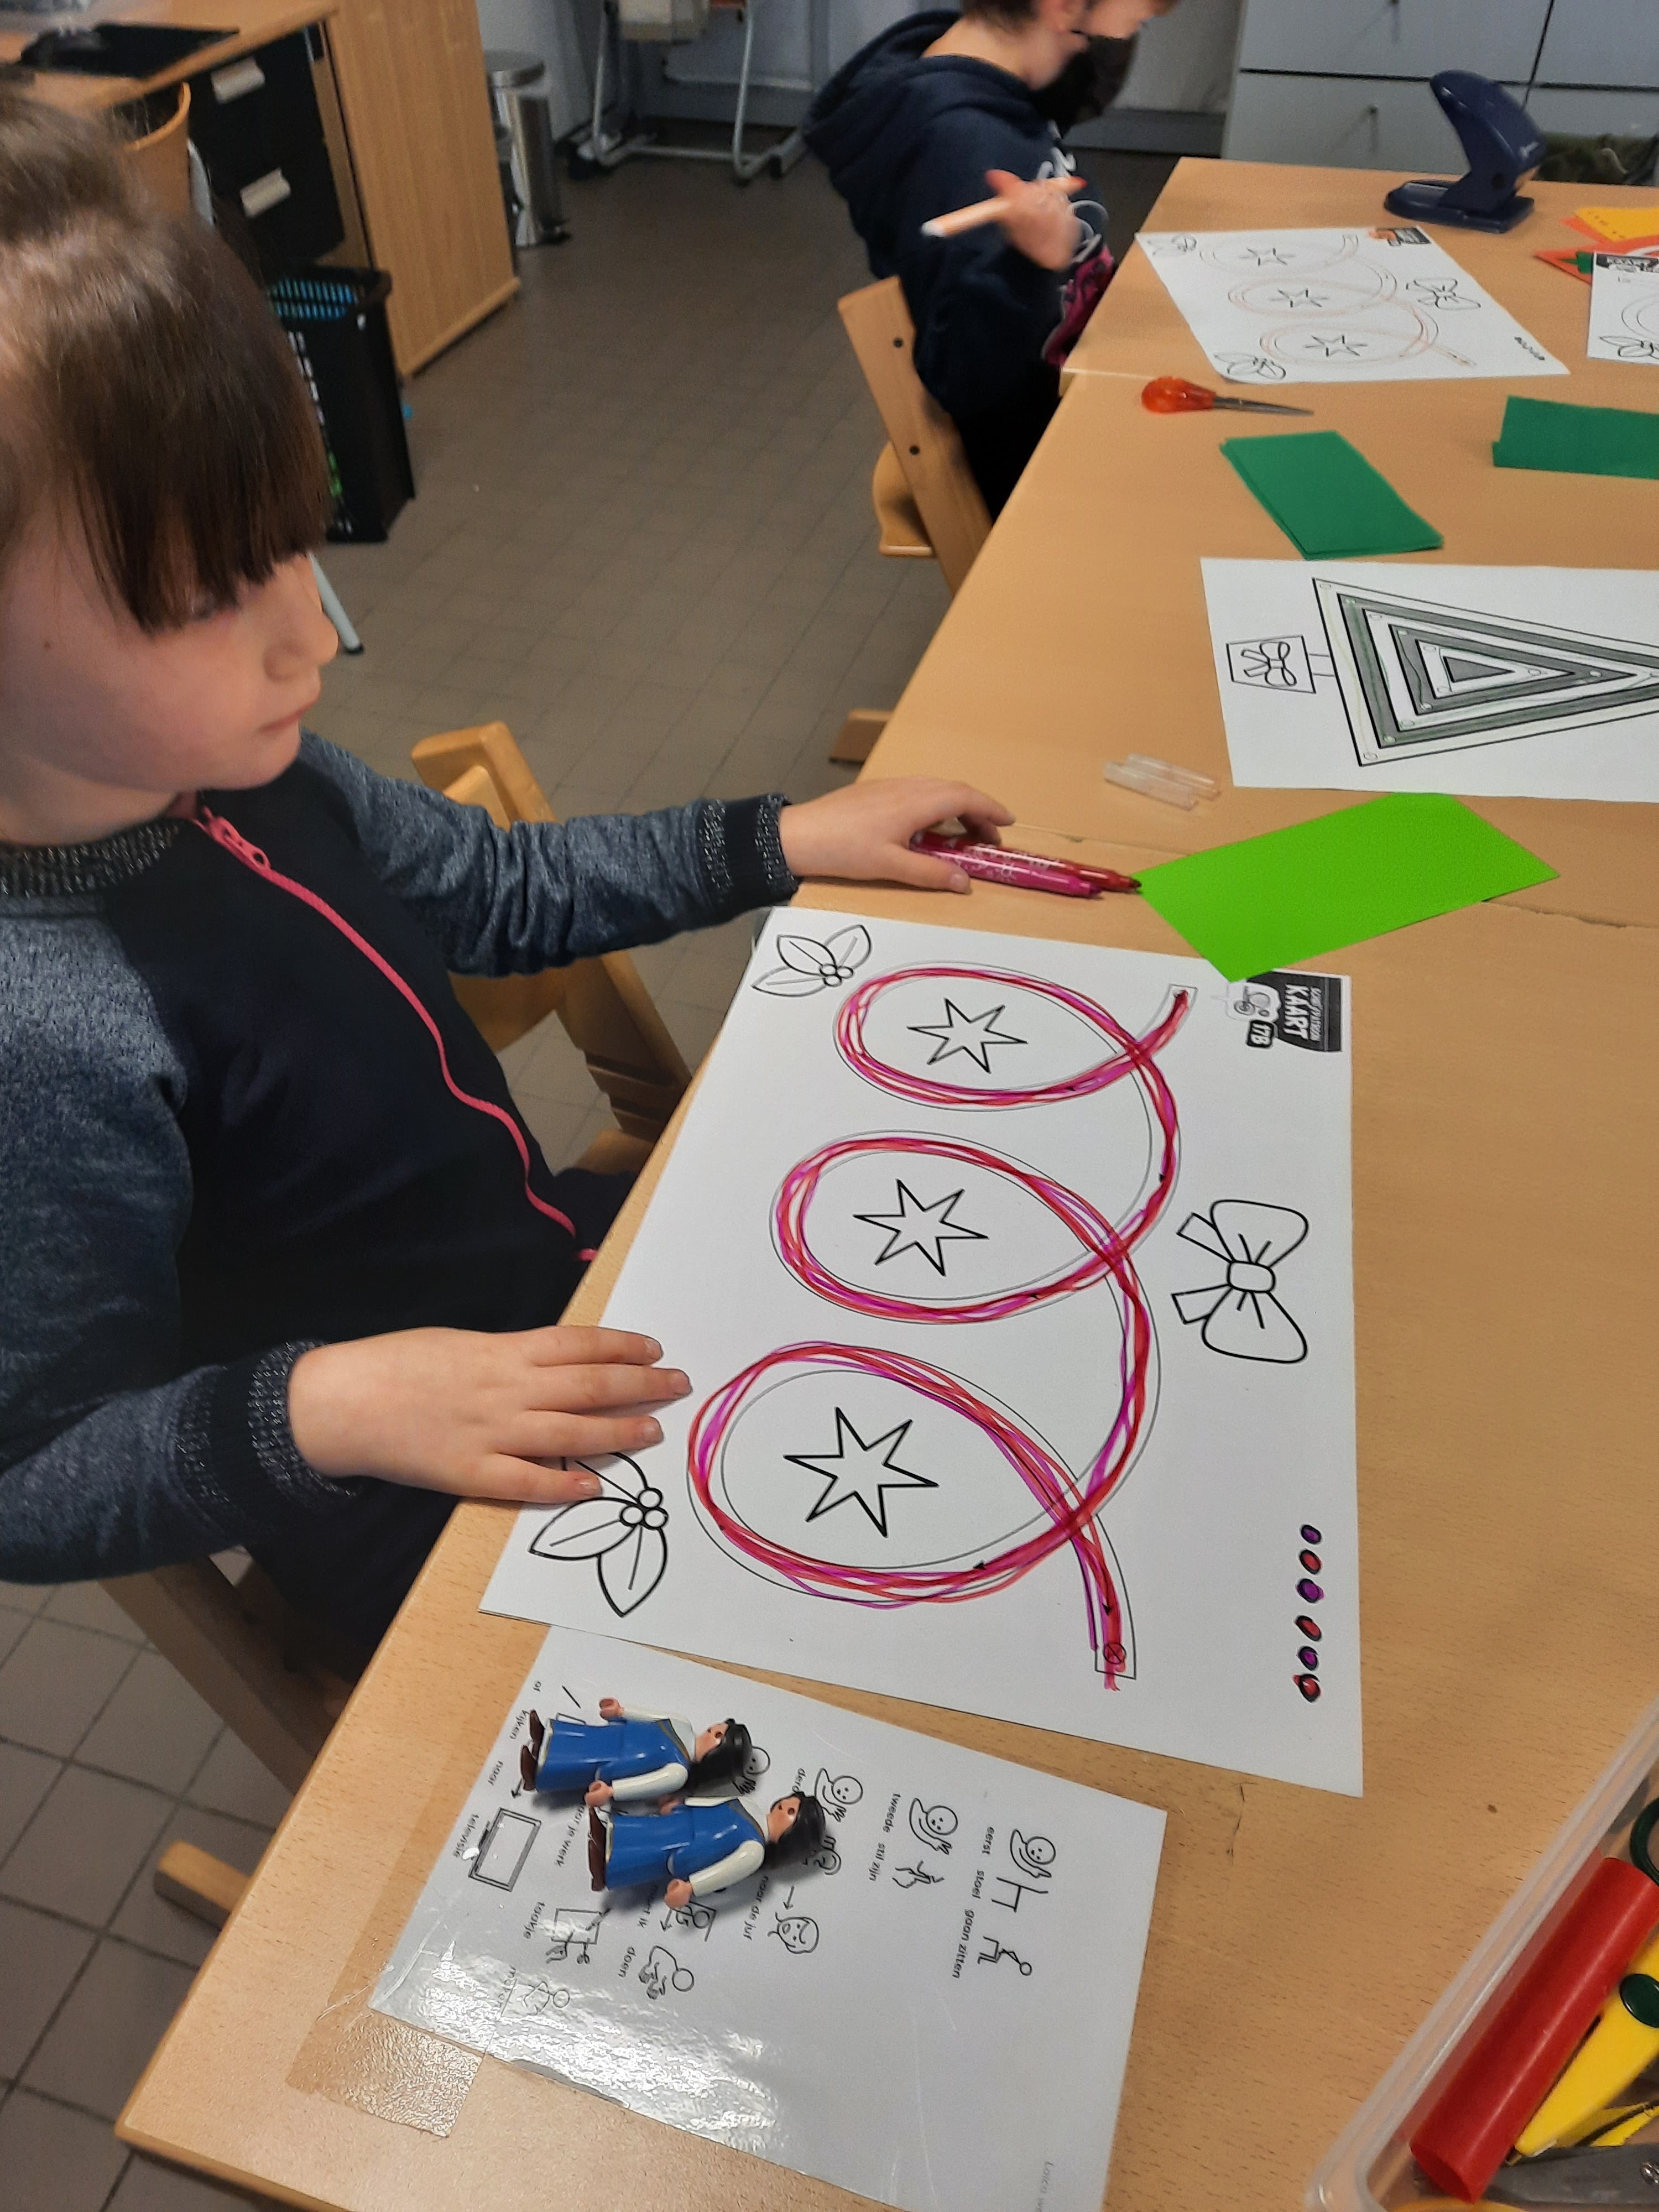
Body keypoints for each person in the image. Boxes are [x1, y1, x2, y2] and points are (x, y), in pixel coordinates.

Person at [0, 91, 1013, 1650]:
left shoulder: (246, 766)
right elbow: (28, 1471)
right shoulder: (43, 1034)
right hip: (420, 1508)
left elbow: (498, 889)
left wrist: (781, 839)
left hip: (556, 1295)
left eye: (295, 545)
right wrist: (327, 1404)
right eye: (209, 596)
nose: (309, 634)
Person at [806, 0, 1173, 517]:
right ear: (1064, 8)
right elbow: (969, 379)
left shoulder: (984, 79)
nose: (1120, 48)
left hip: (1079, 389)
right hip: (1036, 468)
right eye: (1136, 24)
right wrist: (1032, 264)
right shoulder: (966, 145)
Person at [590, 1789, 827, 1909]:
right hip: (685, 1821)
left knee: (650, 1855)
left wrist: (691, 1887)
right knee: (646, 1828)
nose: (785, 1806)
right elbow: (713, 1803)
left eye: (792, 1813)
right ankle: (607, 1833)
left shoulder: (755, 1850)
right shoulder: (748, 1803)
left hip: (691, 1847)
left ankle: (607, 1868)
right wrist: (683, 1804)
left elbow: (723, 1873)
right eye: (789, 1803)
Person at [519, 1698, 754, 1805]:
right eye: (721, 1728)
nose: (715, 1730)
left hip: (618, 1761)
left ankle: (539, 1774)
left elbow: (644, 1785)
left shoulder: (679, 1771)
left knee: (581, 1762)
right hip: (619, 1734)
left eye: (720, 1737)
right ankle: (546, 1735)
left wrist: (612, 1791)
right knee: (583, 1735)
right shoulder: (682, 1723)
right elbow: (650, 1716)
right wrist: (621, 1711)